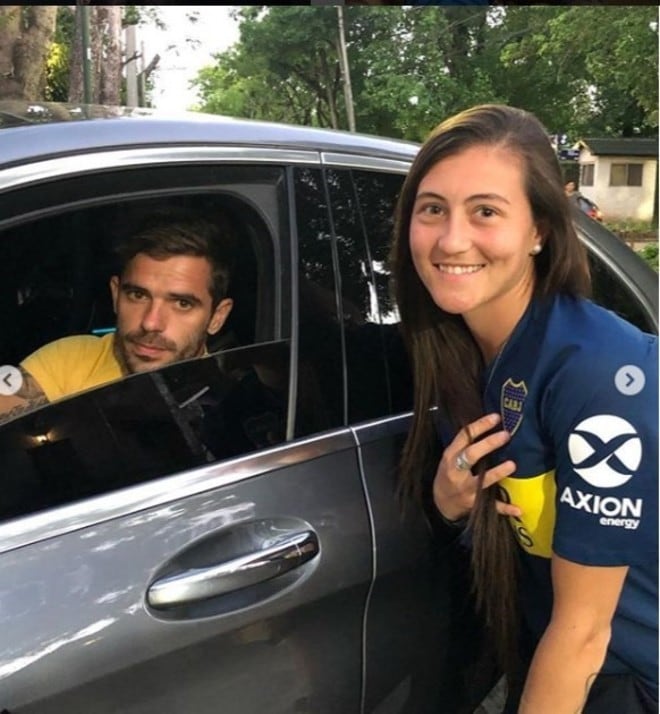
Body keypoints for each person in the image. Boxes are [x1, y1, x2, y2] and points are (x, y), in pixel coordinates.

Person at [390, 104, 657, 713]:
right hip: (543, 656)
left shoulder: (597, 373)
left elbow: (586, 633)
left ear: (539, 229)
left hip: (626, 676)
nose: (451, 239)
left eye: (485, 211)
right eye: (433, 209)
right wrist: (448, 504)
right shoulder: (453, 347)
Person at [0, 210, 235, 425]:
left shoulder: (229, 407)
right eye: (137, 295)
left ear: (217, 317)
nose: (151, 322)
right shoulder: (71, 358)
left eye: (182, 304)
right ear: (115, 294)